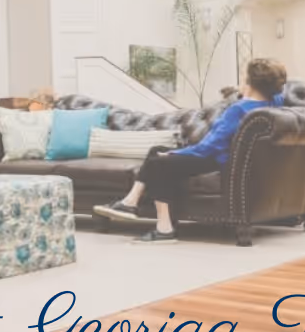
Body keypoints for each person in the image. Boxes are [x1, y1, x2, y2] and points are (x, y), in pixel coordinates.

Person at [95, 58, 289, 244]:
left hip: (215, 158)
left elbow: (209, 147)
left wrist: (177, 154)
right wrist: (247, 93)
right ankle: (130, 201)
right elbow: (276, 94)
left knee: (160, 162)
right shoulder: (273, 103)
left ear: (250, 81)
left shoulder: (238, 109)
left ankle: (164, 229)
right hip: (227, 159)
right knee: (157, 150)